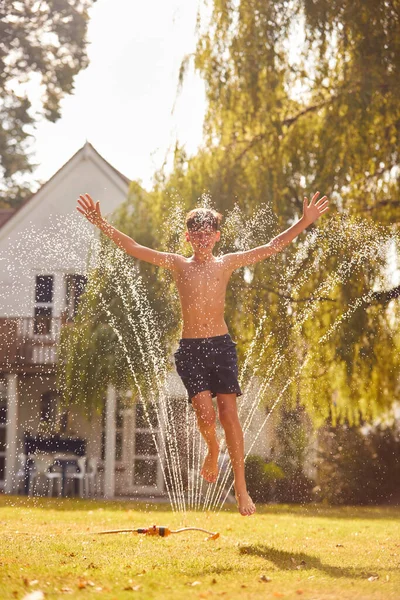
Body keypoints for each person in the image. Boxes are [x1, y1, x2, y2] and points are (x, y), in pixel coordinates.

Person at [76, 191, 329, 516]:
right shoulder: (178, 263)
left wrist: (304, 222)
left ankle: (240, 487)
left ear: (217, 236)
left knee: (228, 414)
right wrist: (102, 224)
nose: (202, 239)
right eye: (196, 234)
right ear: (188, 237)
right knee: (205, 416)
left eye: (207, 234)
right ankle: (213, 448)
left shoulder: (227, 263)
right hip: (191, 349)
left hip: (221, 346)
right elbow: (135, 248)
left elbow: (270, 248)